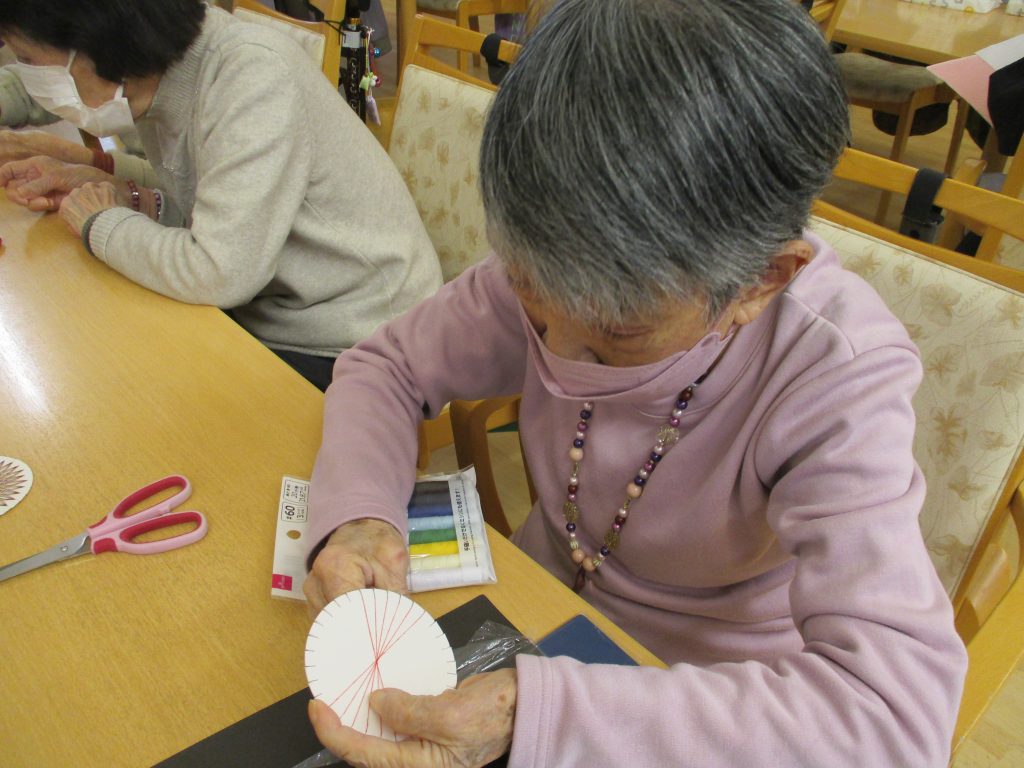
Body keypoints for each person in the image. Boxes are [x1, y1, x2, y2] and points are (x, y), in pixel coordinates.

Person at [302, 0, 968, 765]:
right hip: (530, 608)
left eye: (616, 334)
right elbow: (387, 366)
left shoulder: (834, 374)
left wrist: (538, 715)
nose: (556, 353)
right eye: (529, 299)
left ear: (761, 281)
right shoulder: (572, 260)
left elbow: (896, 721)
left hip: (706, 706)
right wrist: (360, 512)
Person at [0, 0, 441, 391]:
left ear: (92, 41)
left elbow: (220, 272)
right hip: (275, 306)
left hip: (357, 335)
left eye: (27, 59)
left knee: (135, 387)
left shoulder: (249, 77)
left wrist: (100, 223)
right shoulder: (156, 70)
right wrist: (108, 180)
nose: (27, 74)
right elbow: (207, 196)